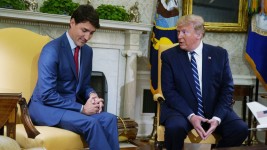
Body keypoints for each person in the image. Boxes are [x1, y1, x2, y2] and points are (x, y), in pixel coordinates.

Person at [28, 4, 119, 150]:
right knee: (91, 123)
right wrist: (82, 108)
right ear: (72, 22)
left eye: (92, 33)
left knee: (110, 119)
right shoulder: (52, 50)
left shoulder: (87, 52)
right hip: (46, 108)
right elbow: (47, 94)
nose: (87, 37)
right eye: (84, 30)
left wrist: (92, 95)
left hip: (70, 108)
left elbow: (83, 85)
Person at [160, 14, 248, 150]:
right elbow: (169, 92)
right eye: (178, 32)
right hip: (182, 111)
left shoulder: (219, 55)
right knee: (174, 128)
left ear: (199, 34)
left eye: (184, 32)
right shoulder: (169, 56)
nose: (179, 37)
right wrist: (191, 116)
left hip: (213, 110)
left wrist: (218, 118)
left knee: (240, 129)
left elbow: (227, 89)